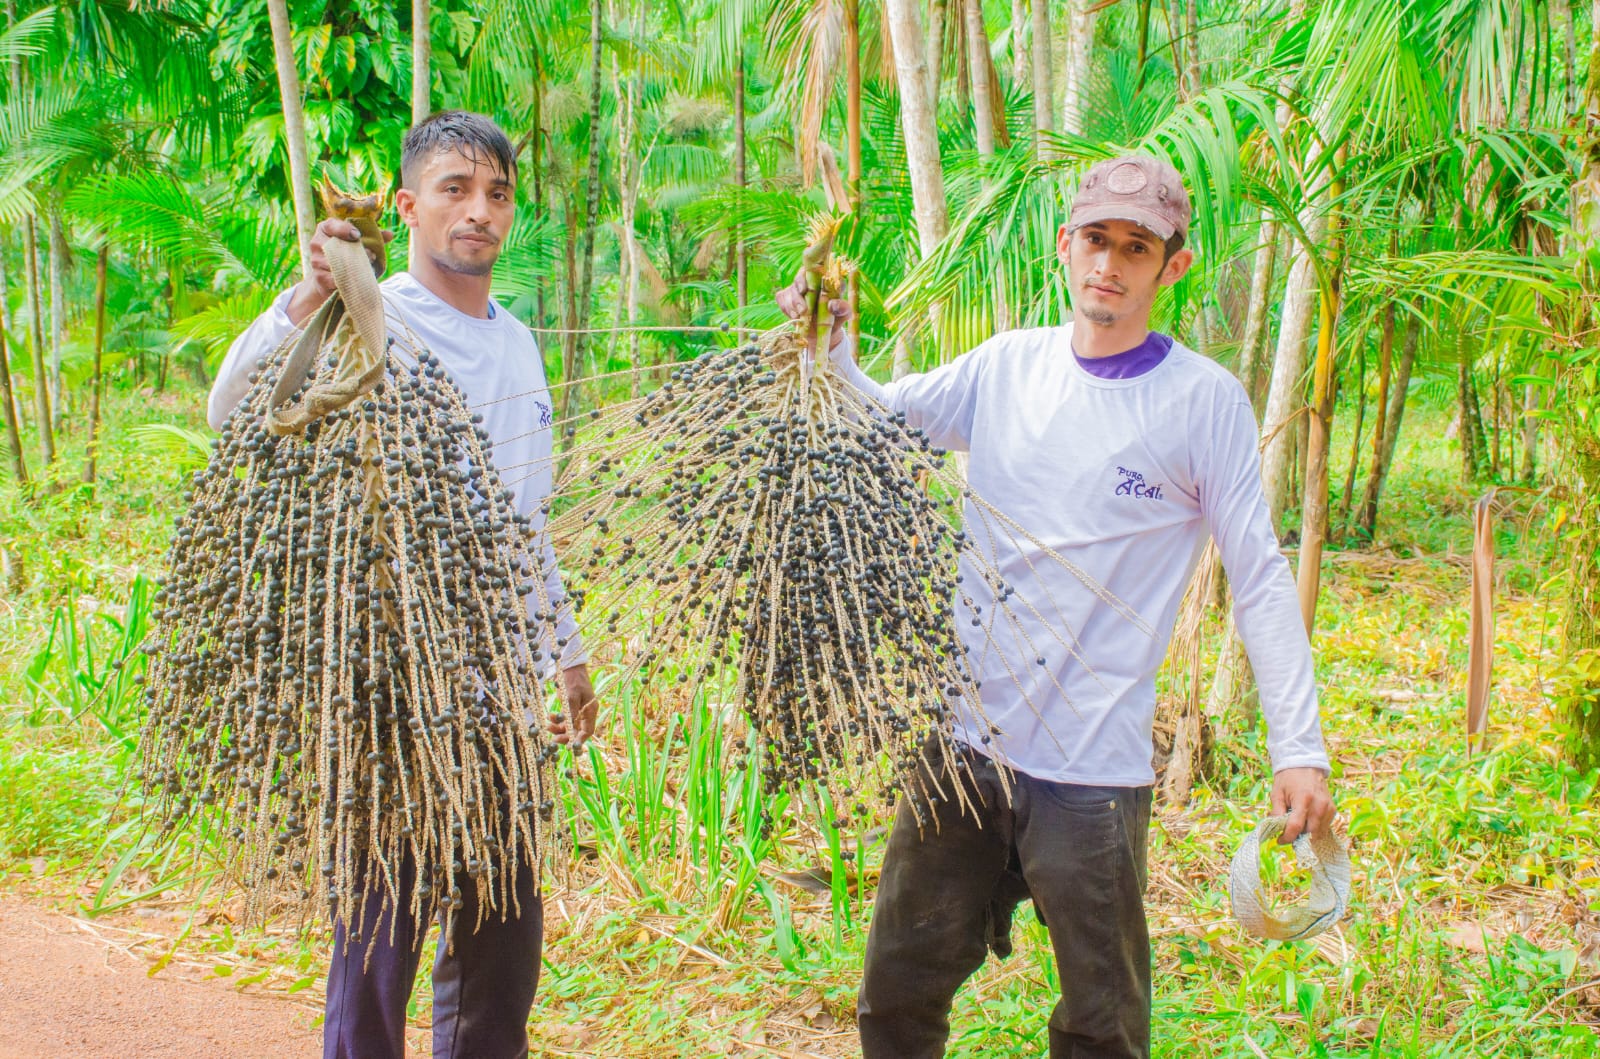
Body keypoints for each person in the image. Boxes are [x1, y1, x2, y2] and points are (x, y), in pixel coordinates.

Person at [778, 153, 1337, 1059]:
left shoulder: (1202, 403)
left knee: (1102, 1020)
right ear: (1065, 244)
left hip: (1092, 770)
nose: (1108, 265)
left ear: (1172, 264)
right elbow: (877, 422)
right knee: (897, 989)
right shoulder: (1009, 367)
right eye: (1094, 240)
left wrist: (1298, 747)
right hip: (964, 747)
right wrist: (829, 343)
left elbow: (1261, 575)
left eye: (1135, 247)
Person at [209, 111, 598, 1059]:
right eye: (456, 190)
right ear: (408, 204)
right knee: (382, 930)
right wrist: (306, 301)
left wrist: (568, 655)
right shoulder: (365, 310)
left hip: (498, 683)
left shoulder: (519, 344)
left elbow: (524, 520)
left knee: (503, 932)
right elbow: (232, 411)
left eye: (497, 194)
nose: (480, 211)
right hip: (389, 679)